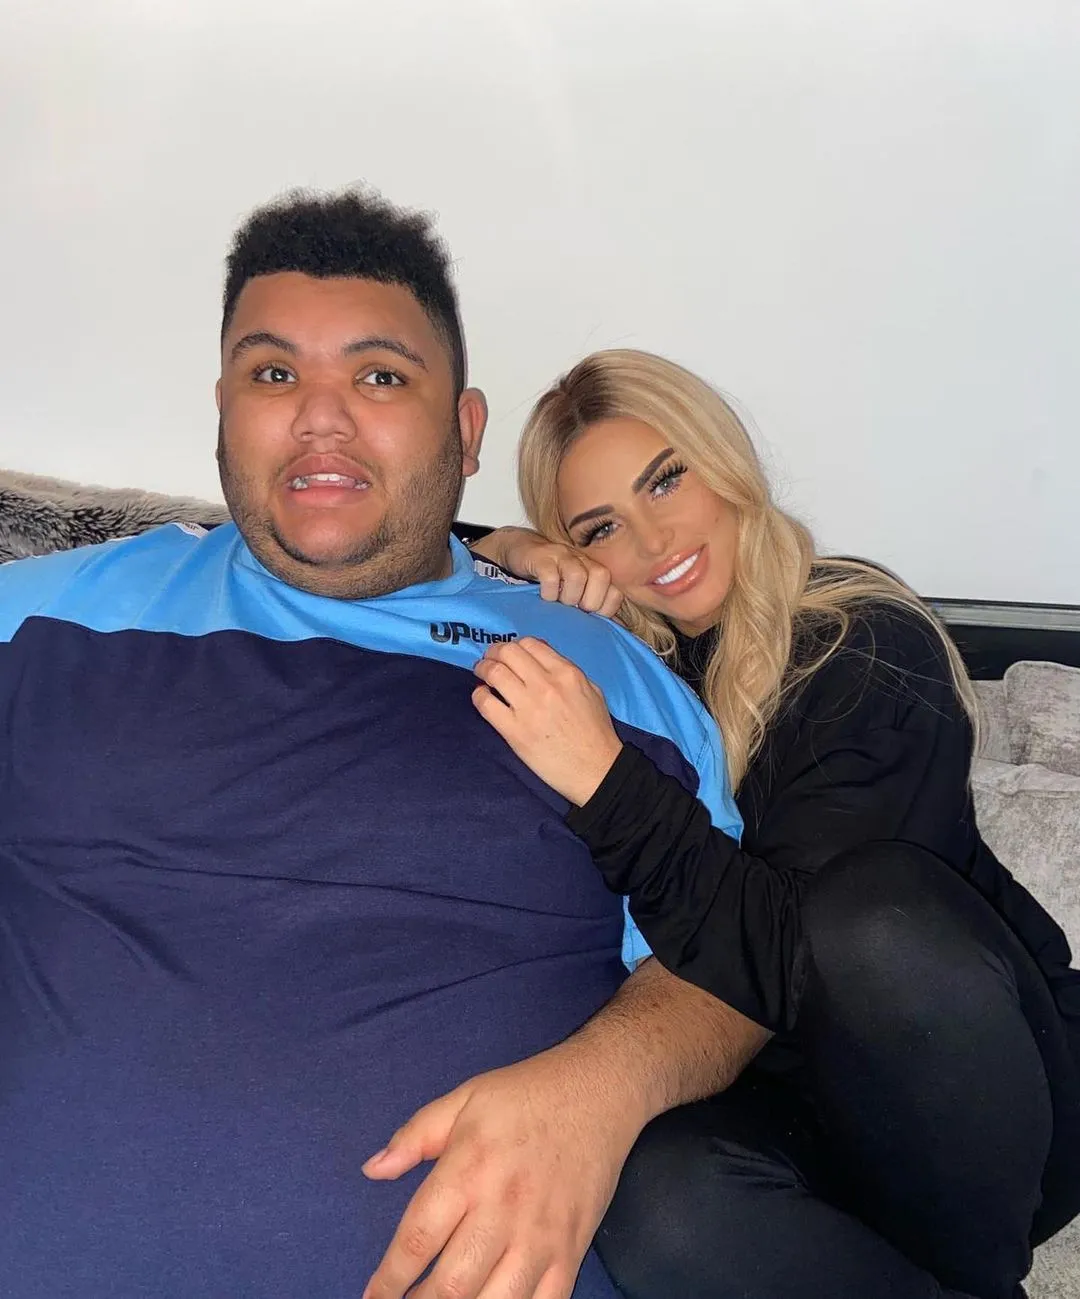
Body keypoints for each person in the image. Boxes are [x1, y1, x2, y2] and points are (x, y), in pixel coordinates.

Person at [0, 194, 763, 1299]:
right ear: (223, 411)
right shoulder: (40, 621)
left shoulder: (610, 677)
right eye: (273, 374)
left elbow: (735, 968)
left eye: (380, 377)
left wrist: (603, 1086)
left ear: (465, 430)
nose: (320, 418)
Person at [463, 348, 1080, 1299]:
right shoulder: (640, 677)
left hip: (982, 1096)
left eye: (666, 479)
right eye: (602, 528)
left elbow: (802, 965)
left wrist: (608, 783)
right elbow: (390, 538)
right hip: (796, 1104)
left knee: (867, 915)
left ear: (723, 460)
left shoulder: (866, 641)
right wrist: (505, 546)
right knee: (652, 1197)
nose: (654, 537)